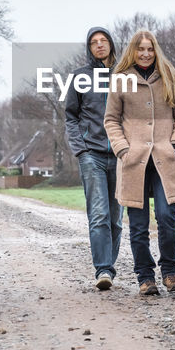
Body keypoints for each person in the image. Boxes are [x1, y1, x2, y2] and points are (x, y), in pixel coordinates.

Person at [104, 30, 175, 296]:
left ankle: (170, 272)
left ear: (156, 50)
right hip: (134, 161)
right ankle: (145, 276)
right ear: (133, 51)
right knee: (138, 224)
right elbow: (111, 120)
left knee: (167, 217)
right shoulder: (120, 80)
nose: (145, 54)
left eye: (150, 49)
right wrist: (122, 149)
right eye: (140, 49)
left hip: (165, 158)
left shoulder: (169, 76)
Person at [64, 27, 123, 290]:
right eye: (94, 42)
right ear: (89, 48)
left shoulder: (125, 75)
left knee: (116, 218)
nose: (99, 45)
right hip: (92, 155)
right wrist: (81, 149)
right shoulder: (79, 77)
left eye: (104, 41)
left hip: (121, 155)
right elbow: (70, 116)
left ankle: (109, 264)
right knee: (98, 214)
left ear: (111, 44)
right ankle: (103, 270)